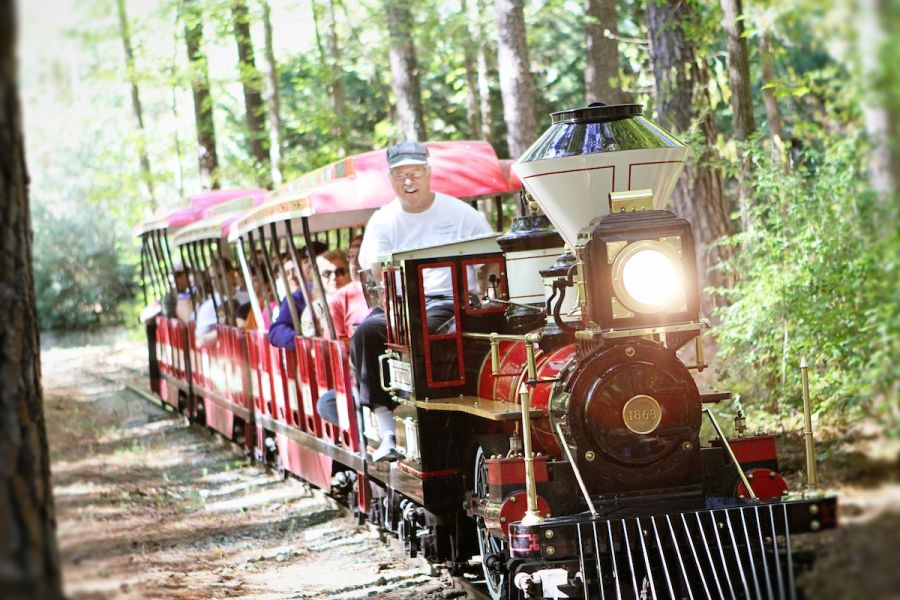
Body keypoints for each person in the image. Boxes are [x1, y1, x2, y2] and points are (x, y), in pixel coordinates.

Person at [352, 141, 492, 461]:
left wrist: (483, 294)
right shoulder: (383, 220)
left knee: (426, 329)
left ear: (428, 173)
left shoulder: (460, 213)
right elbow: (377, 273)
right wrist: (393, 309)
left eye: (414, 172)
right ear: (392, 180)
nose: (408, 181)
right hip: (399, 305)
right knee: (366, 333)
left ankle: (441, 414)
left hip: (447, 301)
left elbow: (489, 261)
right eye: (400, 175)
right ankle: (387, 429)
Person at [300, 250, 351, 337]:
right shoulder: (313, 311)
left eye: (339, 272)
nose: (334, 277)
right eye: (327, 274)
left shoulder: (361, 303)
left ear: (348, 273)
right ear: (318, 278)